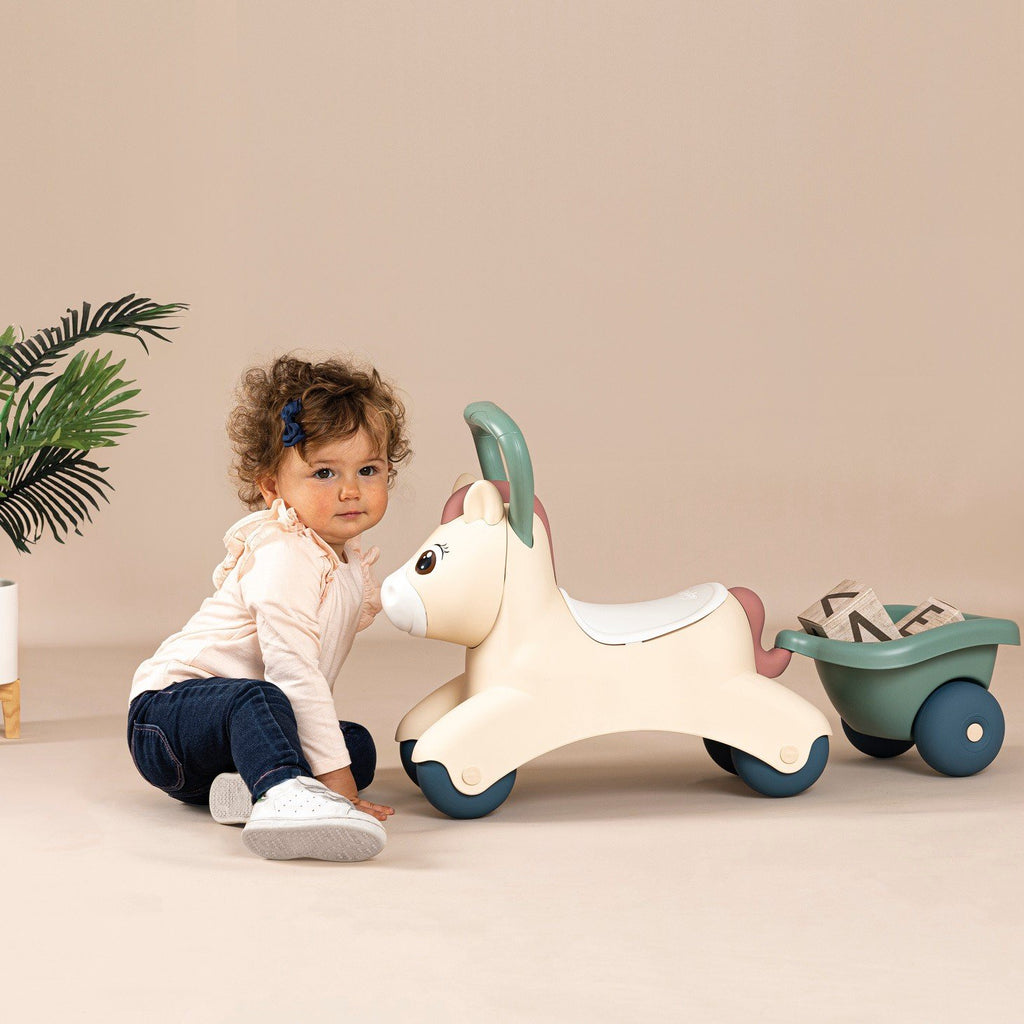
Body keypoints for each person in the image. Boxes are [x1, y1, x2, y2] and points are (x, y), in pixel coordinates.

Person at [128, 354, 411, 862]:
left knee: (355, 746)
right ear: (273, 487)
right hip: (168, 718)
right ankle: (285, 797)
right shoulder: (285, 554)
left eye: (368, 469)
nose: (350, 490)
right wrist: (340, 789)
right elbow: (294, 672)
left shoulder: (342, 560)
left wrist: (342, 769)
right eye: (324, 472)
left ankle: (247, 788)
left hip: (221, 745)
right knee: (260, 700)